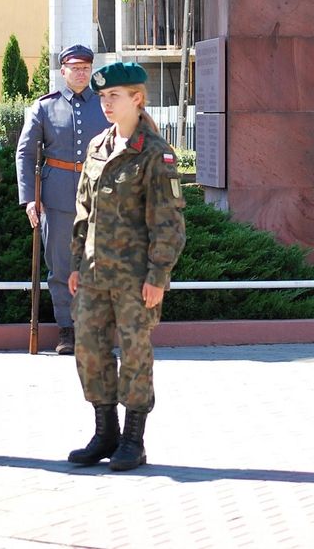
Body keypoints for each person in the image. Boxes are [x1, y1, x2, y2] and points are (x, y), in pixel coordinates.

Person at [67, 61, 186, 472]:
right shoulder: (97, 147)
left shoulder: (156, 154)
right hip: (95, 273)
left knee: (135, 354)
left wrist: (158, 275)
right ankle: (105, 433)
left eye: (113, 96)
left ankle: (133, 440)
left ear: (137, 99)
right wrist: (76, 263)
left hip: (136, 279)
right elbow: (84, 209)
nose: (105, 104)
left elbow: (168, 223)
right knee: (89, 350)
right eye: (102, 97)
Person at [16, 44, 109, 355]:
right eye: (75, 67)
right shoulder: (44, 107)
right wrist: (30, 198)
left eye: (86, 67)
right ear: (63, 71)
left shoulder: (105, 105)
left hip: (99, 196)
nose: (81, 72)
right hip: (56, 197)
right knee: (60, 266)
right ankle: (67, 329)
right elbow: (26, 153)